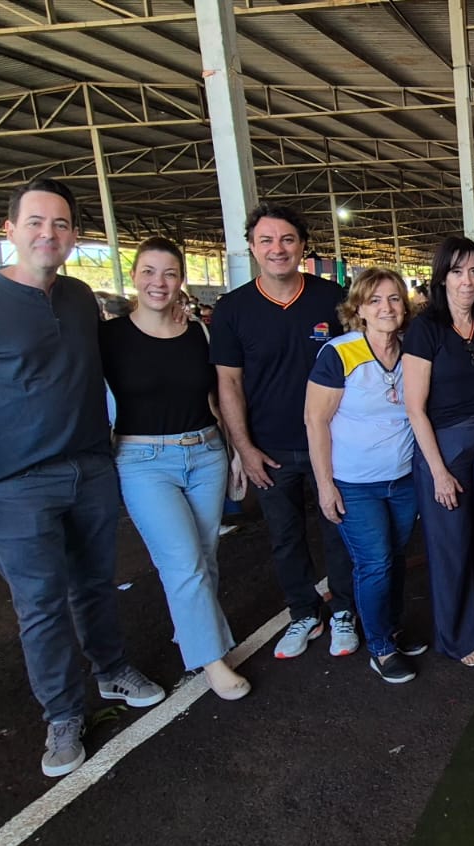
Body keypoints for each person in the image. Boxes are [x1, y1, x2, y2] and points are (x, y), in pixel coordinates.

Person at [0, 178, 165, 778]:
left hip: (89, 468)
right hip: (12, 483)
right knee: (40, 604)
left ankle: (111, 670)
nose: (49, 233)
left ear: (73, 235)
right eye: (37, 222)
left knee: (94, 584)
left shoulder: (77, 296)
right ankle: (63, 714)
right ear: (10, 230)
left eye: (61, 224)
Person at [100, 237, 249, 701]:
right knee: (183, 562)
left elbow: (215, 398)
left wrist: (236, 450)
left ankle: (191, 631)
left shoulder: (197, 333)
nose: (158, 282)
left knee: (204, 556)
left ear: (180, 280)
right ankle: (213, 660)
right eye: (148, 271)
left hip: (205, 452)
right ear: (133, 277)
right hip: (142, 461)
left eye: (168, 273)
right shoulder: (108, 338)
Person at [210, 202, 359, 660]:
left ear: (303, 246)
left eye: (287, 239)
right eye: (267, 240)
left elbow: (359, 360)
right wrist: (244, 448)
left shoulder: (331, 297)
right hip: (270, 447)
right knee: (285, 535)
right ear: (252, 247)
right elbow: (229, 384)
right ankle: (303, 612)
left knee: (338, 527)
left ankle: (344, 610)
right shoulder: (232, 309)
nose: (278, 249)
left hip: (331, 443)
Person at [305, 267, 427, 685]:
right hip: (355, 484)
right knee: (374, 563)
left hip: (403, 480)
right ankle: (380, 647)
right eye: (374, 300)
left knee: (394, 558)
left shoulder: (411, 352)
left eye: (393, 299)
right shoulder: (340, 353)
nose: (386, 308)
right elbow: (315, 421)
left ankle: (390, 629)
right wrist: (325, 485)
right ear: (358, 309)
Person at [403, 236, 474, 667]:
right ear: (441, 278)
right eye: (456, 272)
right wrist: (437, 471)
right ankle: (459, 636)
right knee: (451, 544)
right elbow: (415, 408)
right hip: (447, 447)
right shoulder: (425, 329)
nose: (467, 281)